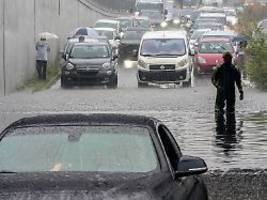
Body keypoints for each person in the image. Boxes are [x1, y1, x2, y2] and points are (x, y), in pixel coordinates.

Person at [212, 52, 244, 125]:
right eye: (226, 59)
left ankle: (231, 129)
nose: (227, 60)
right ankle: (220, 128)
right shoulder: (220, 68)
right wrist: (218, 86)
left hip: (231, 92)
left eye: (229, 59)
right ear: (223, 59)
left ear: (231, 59)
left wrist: (241, 91)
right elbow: (213, 79)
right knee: (219, 111)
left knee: (231, 111)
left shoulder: (234, 69)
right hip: (221, 92)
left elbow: (238, 82)